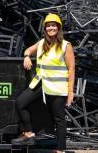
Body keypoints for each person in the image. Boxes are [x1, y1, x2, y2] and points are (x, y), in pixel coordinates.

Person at [12, 13, 75, 153]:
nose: (50, 28)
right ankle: (28, 133)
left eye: (53, 25)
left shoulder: (66, 46)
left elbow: (71, 69)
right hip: (40, 83)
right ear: (45, 28)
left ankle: (60, 150)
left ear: (58, 28)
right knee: (20, 103)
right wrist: (27, 56)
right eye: (48, 25)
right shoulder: (41, 43)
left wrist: (70, 92)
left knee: (59, 119)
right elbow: (28, 50)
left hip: (57, 87)